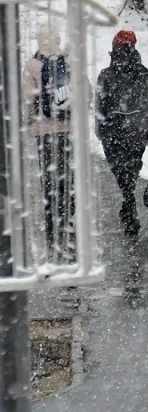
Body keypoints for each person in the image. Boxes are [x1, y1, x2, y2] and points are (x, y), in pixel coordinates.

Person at [96, 29, 148, 241]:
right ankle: (128, 200)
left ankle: (128, 201)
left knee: (120, 169)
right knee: (131, 168)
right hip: (137, 130)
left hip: (113, 131)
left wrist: (101, 129)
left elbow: (100, 107)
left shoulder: (106, 75)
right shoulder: (143, 72)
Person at [25, 24, 73, 260]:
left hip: (44, 132)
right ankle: (69, 219)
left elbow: (27, 98)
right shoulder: (69, 62)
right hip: (66, 129)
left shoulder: (33, 66)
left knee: (49, 177)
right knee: (68, 175)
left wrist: (30, 121)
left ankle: (52, 222)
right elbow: (86, 92)